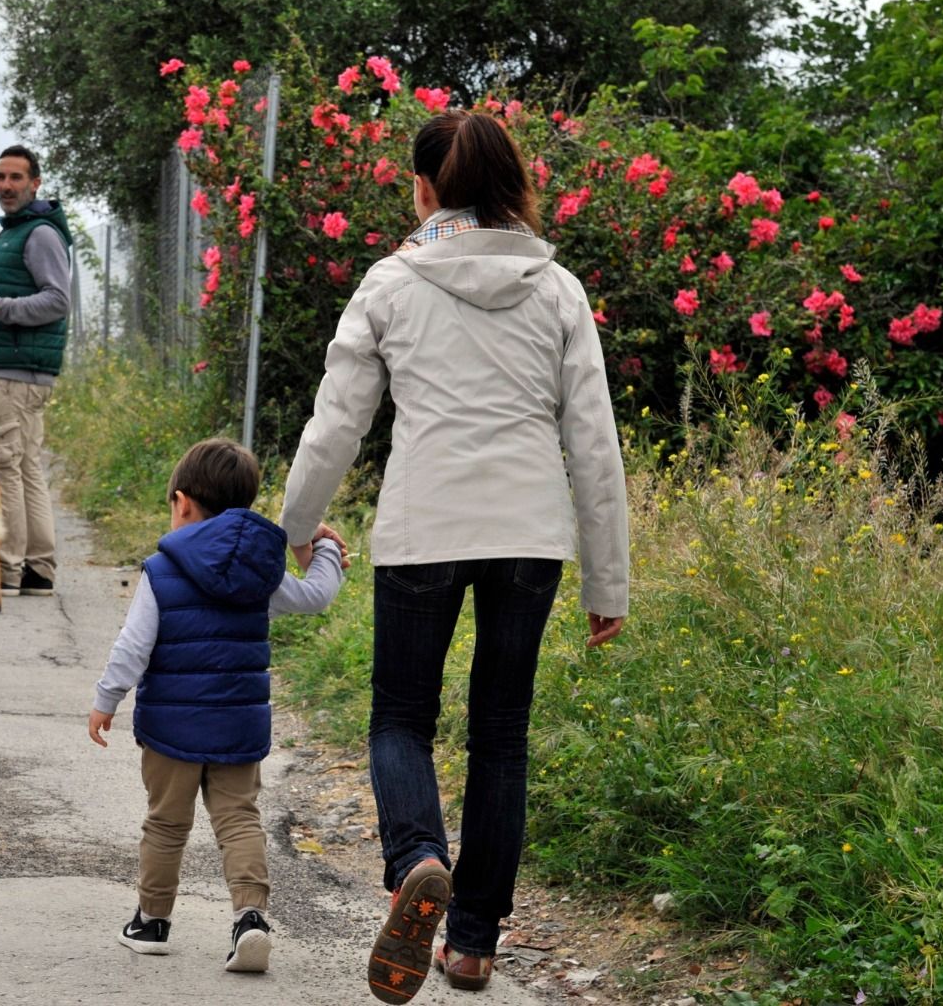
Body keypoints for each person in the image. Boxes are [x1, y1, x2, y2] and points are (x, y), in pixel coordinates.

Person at [278, 111, 630, 1001]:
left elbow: (337, 425)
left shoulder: (391, 283)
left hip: (423, 529)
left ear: (427, 188)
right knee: (500, 736)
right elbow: (593, 442)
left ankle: (417, 862)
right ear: (510, 185)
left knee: (402, 716)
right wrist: (608, 574)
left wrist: (294, 526)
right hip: (528, 539)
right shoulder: (558, 290)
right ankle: (471, 947)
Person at [88, 437, 347, 973]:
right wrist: (321, 548)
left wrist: (106, 699)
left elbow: (133, 645)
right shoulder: (258, 572)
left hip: (171, 729)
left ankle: (152, 922)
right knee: (239, 820)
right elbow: (316, 595)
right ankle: (250, 919)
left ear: (182, 502)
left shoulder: (162, 570)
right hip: (236, 726)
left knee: (165, 824)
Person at [0, 145, 72, 598]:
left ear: (36, 183)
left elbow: (58, 300)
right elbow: (15, 303)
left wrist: (0, 308)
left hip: (19, 373)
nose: (6, 185)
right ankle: (38, 571)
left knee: (4, 468)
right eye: (0, 177)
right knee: (24, 468)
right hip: (20, 367)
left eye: (16, 178)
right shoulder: (16, 232)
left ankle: (6, 568)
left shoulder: (38, 234)